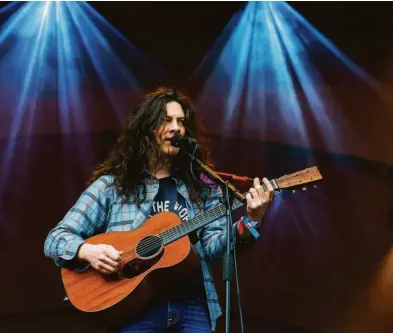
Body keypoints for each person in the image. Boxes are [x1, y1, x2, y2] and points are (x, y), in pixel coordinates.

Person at [44, 87, 275, 332]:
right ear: (145, 129)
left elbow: (213, 250)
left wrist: (251, 220)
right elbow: (56, 239)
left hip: (191, 306)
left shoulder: (203, 186)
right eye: (166, 121)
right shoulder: (111, 186)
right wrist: (87, 251)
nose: (176, 127)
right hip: (134, 307)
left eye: (181, 122)